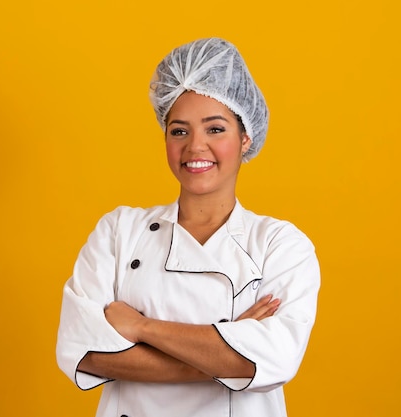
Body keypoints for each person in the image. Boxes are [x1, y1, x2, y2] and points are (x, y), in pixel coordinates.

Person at [56, 37, 320, 417]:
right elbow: (84, 351)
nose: (196, 147)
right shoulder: (118, 231)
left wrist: (142, 328)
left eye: (215, 129)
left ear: (246, 138)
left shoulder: (281, 245)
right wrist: (224, 352)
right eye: (179, 131)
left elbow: (274, 360)